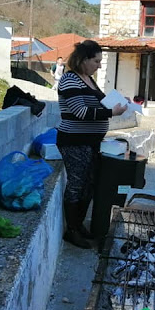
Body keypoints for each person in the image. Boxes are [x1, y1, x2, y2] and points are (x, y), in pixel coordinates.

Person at [56, 41, 127, 249]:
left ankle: (78, 225)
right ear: (83, 59)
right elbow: (80, 112)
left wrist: (120, 105)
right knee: (77, 184)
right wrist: (112, 112)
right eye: (96, 61)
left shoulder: (89, 80)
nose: (98, 65)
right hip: (74, 142)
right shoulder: (70, 80)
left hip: (91, 142)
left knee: (88, 185)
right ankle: (72, 230)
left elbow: (101, 104)